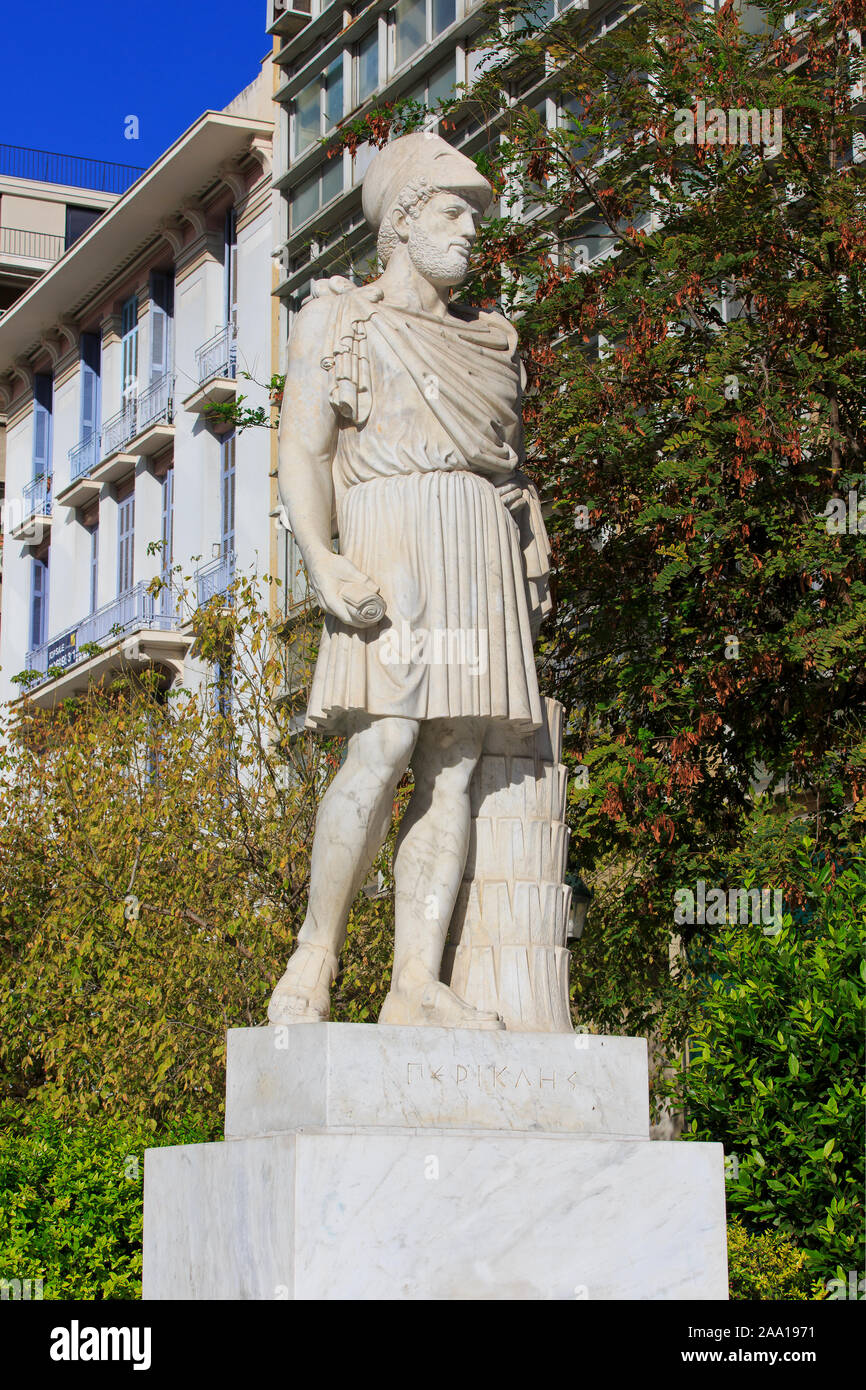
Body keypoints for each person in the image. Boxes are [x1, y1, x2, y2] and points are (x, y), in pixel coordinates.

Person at [268, 132, 551, 1029]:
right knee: (384, 742)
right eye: (453, 211)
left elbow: (506, 464)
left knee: (456, 762)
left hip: (476, 541)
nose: (473, 230)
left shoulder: (493, 338)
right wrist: (320, 556)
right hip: (390, 532)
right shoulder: (340, 316)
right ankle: (314, 959)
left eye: (476, 214)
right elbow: (304, 448)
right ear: (401, 220)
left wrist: (530, 534)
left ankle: (414, 983)